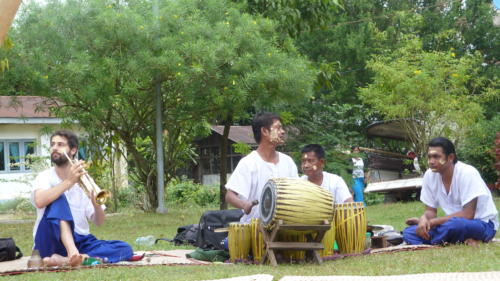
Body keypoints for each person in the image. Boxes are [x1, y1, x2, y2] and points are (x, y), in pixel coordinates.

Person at [31, 130, 133, 267]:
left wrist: (95, 204)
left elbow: (99, 221)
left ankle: (65, 260)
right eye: (53, 144)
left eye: (60, 144)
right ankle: (73, 253)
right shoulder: (44, 176)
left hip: (81, 240)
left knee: (125, 248)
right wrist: (68, 182)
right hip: (51, 238)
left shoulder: (84, 179)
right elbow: (39, 201)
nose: (54, 148)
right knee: (58, 197)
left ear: (73, 150)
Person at [403, 137, 498, 245]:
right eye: (429, 157)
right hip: (450, 224)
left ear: (450, 157)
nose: (431, 162)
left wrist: (432, 222)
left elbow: (468, 215)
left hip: (482, 224)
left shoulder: (467, 173)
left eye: (436, 157)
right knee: (409, 233)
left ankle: (442, 240)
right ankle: (457, 240)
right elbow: (430, 211)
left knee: (455, 225)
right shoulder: (429, 175)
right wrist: (423, 220)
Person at [225, 112, 299, 223]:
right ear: (264, 131)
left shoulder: (288, 162)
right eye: (278, 128)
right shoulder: (248, 163)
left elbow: (297, 192)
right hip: (254, 230)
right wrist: (244, 204)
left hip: (284, 227)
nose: (282, 132)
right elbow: (229, 196)